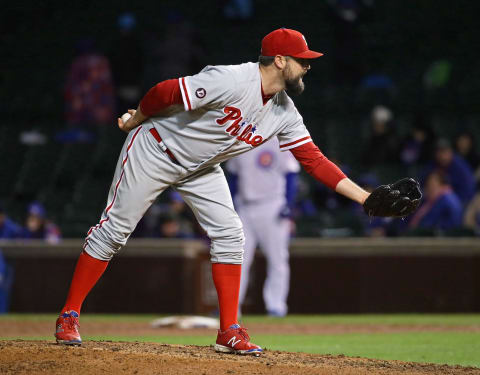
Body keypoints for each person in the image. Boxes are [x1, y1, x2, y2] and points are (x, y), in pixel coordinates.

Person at [54, 28, 384, 355]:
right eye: (302, 60)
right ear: (280, 60)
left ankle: (229, 330)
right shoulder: (231, 80)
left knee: (230, 233)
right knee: (114, 232)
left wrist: (366, 198)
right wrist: (135, 119)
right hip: (155, 149)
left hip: (201, 167)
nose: (308, 66)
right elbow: (165, 91)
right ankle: (69, 315)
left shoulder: (285, 112)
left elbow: (314, 161)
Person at [226, 138, 300, 317]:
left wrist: (288, 204)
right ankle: (232, 309)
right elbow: (233, 177)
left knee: (277, 259)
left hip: (273, 205)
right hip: (244, 206)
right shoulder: (240, 140)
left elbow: (291, 174)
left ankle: (276, 306)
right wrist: (230, 206)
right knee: (238, 259)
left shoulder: (279, 141)